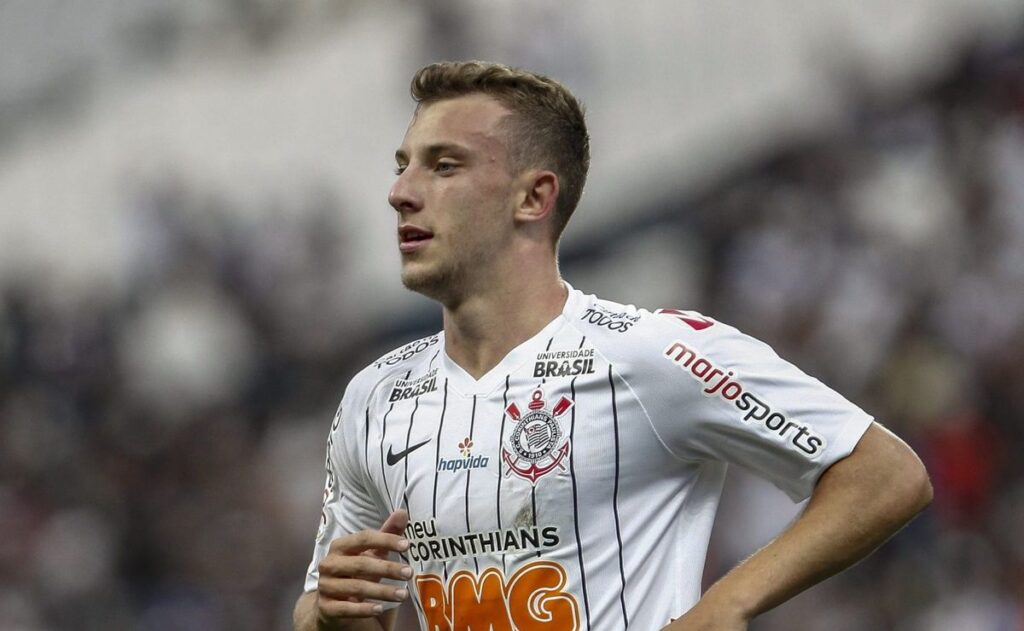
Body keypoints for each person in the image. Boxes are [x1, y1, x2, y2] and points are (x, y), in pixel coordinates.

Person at [292, 60, 932, 631]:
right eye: (403, 166)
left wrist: (727, 603)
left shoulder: (647, 354)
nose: (400, 192)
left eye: (444, 165)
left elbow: (885, 473)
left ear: (534, 196)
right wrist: (328, 613)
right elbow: (324, 601)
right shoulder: (375, 397)